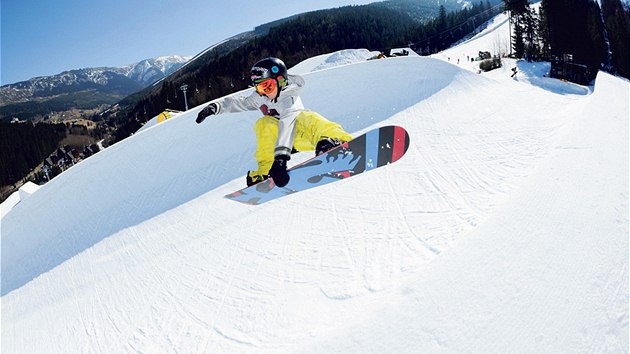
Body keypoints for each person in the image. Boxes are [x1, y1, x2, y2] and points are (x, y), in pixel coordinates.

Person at [196, 57, 353, 187]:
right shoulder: (262, 96)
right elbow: (240, 102)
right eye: (260, 88)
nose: (264, 92)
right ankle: (264, 171)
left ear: (281, 80)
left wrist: (281, 160)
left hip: (301, 136)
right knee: (264, 124)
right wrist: (215, 107)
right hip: (282, 145)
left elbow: (288, 123)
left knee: (307, 117)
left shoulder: (289, 97)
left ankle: (336, 141)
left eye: (267, 86)